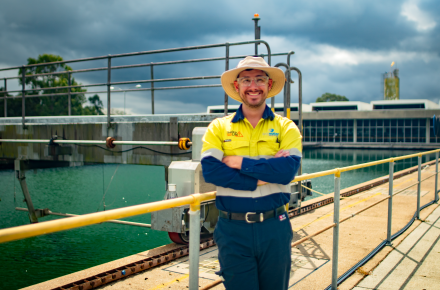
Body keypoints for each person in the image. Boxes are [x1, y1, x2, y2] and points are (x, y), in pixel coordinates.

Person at [201, 56, 302, 290]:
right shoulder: (218, 127)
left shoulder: (286, 127)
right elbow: (212, 172)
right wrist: (261, 177)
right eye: (246, 80)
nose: (253, 86)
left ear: (269, 85)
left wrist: (239, 162)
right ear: (237, 87)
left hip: (274, 227)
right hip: (233, 231)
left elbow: (287, 171)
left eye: (259, 79)